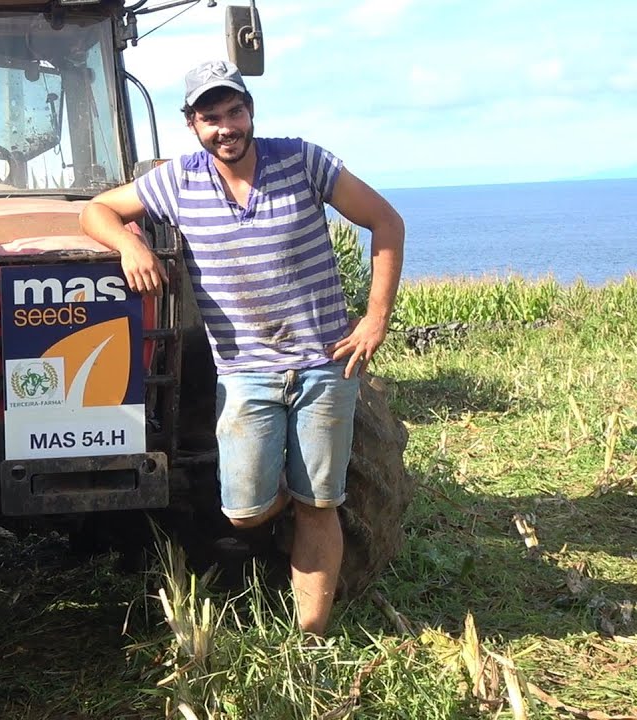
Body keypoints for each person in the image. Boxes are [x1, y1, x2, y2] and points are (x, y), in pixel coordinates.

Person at [80, 60, 405, 635]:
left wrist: (375, 319)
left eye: (235, 111)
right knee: (244, 510)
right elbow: (96, 210)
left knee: (320, 506)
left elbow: (385, 221)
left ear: (250, 111)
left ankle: (311, 637)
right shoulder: (178, 181)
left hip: (323, 363)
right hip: (246, 372)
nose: (226, 126)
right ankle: (287, 483)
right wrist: (131, 245)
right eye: (212, 117)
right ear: (193, 125)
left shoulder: (303, 160)